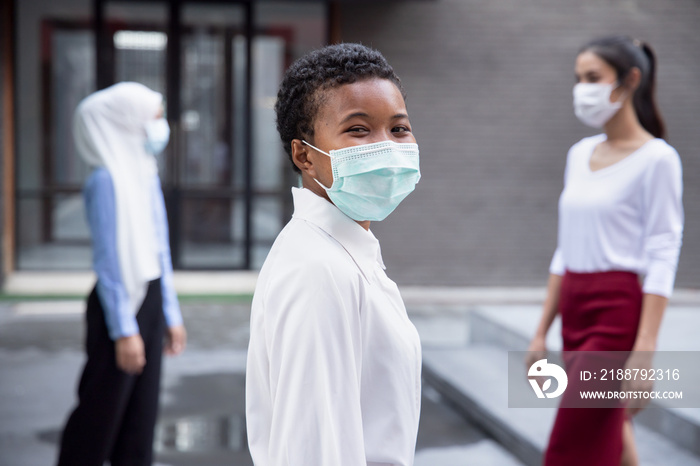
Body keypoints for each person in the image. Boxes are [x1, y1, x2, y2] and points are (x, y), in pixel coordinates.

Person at [245, 43, 423, 465]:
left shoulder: (346, 252)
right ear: (304, 155)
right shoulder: (318, 271)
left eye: (398, 129)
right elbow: (315, 451)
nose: (386, 147)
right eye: (359, 130)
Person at [527, 36, 683, 466]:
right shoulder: (579, 155)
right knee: (612, 431)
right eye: (578, 78)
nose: (583, 88)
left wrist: (645, 350)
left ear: (630, 80)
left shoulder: (658, 159)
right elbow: (566, 249)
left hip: (616, 313)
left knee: (568, 447)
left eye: (593, 78)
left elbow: (664, 250)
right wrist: (542, 331)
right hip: (574, 310)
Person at [57, 82, 187, 466]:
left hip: (149, 298)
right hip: (118, 308)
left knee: (140, 422)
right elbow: (109, 261)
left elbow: (159, 248)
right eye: (155, 118)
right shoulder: (105, 180)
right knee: (99, 419)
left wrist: (170, 314)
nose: (160, 128)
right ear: (126, 122)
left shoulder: (145, 173)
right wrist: (124, 330)